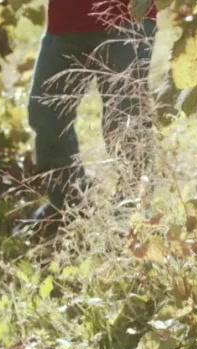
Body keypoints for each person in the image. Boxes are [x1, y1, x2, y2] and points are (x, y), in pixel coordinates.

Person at [22, 0, 158, 231]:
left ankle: (132, 216)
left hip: (126, 17)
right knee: (46, 114)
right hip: (66, 19)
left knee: (125, 119)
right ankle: (66, 207)